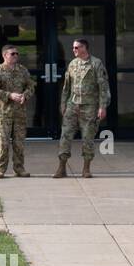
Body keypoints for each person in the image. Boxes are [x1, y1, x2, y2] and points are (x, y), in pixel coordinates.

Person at [54, 37, 109, 179]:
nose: (74, 50)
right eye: (73, 48)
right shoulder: (72, 64)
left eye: (77, 47)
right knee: (65, 136)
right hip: (73, 106)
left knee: (88, 138)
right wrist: (63, 103)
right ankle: (61, 168)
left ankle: (86, 169)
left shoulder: (96, 64)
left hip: (90, 107)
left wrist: (102, 107)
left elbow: (103, 87)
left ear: (85, 48)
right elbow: (66, 86)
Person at [0, 44, 35, 179]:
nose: (15, 56)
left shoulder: (22, 70)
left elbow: (31, 85)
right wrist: (10, 95)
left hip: (20, 113)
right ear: (4, 55)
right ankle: (0, 169)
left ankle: (19, 169)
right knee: (3, 143)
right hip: (4, 113)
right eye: (12, 54)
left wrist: (25, 95)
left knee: (19, 143)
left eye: (17, 54)